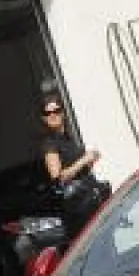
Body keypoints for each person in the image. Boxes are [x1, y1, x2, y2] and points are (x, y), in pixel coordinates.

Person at [39, 95, 106, 228]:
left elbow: (77, 168)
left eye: (56, 111)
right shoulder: (50, 144)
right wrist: (83, 161)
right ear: (44, 118)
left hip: (90, 195)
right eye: (47, 113)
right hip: (79, 204)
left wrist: (90, 160)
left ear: (63, 113)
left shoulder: (68, 137)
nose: (52, 115)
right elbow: (58, 178)